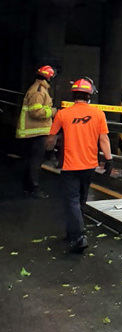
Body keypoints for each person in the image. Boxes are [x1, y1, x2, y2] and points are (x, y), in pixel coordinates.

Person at [46, 77, 112, 253]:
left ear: (73, 95)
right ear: (89, 96)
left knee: (72, 201)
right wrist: (109, 160)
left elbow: (52, 137)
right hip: (89, 165)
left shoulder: (63, 114)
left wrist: (48, 151)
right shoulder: (99, 114)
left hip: (70, 166)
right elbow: (103, 139)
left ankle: (78, 236)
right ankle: (72, 232)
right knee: (81, 199)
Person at [15, 65, 57, 198]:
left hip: (34, 132)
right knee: (35, 162)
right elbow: (35, 112)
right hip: (35, 133)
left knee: (31, 161)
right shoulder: (38, 91)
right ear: (48, 77)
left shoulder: (39, 89)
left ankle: (28, 187)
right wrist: (53, 111)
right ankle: (34, 188)